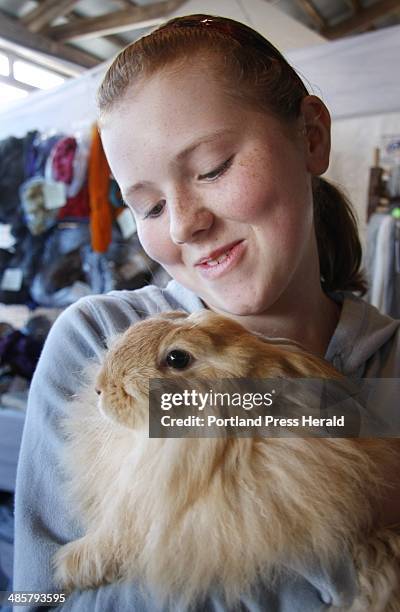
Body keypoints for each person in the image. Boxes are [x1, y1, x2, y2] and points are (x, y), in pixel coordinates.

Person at [13, 14, 400, 611]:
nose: (183, 223)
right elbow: (36, 593)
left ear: (312, 136)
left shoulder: (391, 367)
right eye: (147, 206)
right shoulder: (96, 340)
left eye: (214, 168)